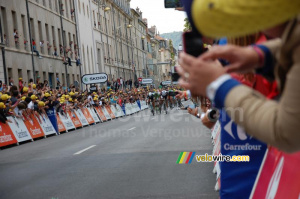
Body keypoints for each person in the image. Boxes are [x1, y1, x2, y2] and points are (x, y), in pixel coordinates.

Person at [180, 0, 300, 152]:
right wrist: (262, 55)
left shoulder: (226, 54)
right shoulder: (276, 36)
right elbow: (293, 41)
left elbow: (287, 131)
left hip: (254, 151)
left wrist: (218, 85)